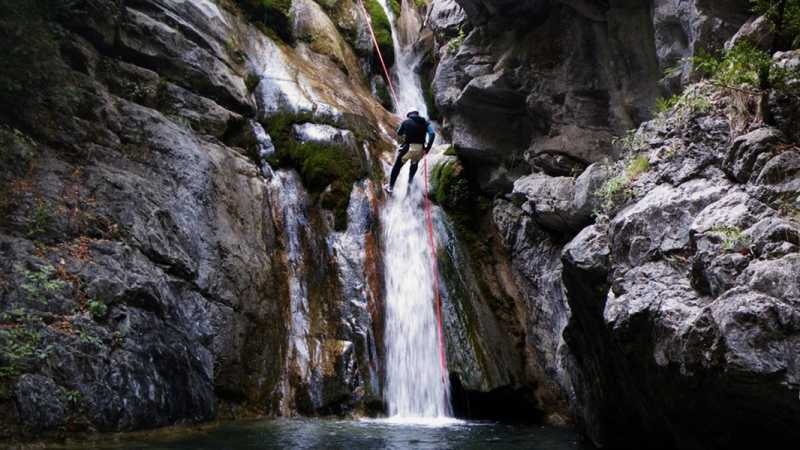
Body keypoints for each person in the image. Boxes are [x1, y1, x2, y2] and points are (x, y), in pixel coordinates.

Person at [385, 110, 435, 194]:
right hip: (420, 149)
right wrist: (428, 148)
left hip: (408, 148)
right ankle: (409, 186)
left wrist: (406, 132)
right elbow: (432, 134)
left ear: (409, 115)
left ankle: (390, 187)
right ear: (417, 114)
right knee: (414, 165)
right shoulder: (426, 123)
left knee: (397, 166)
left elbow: (399, 133)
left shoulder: (405, 122)